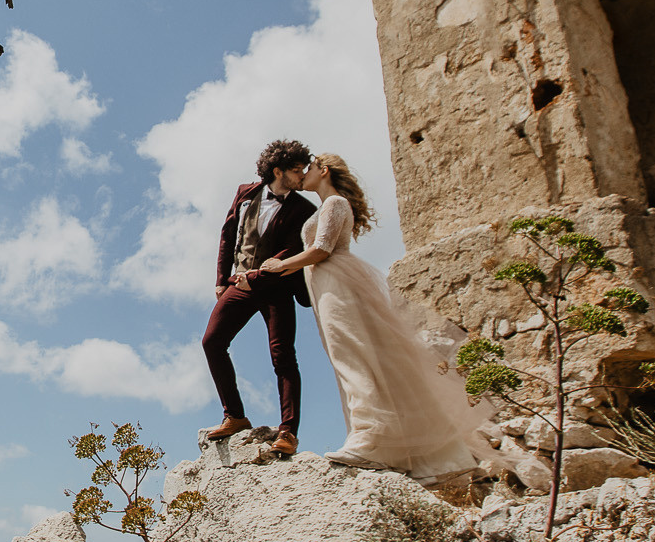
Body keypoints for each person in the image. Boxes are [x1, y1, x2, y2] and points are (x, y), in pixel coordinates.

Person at [259, 154, 489, 480]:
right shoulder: (327, 205)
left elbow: (322, 248)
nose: (302, 173)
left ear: (323, 171)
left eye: (308, 167)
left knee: (352, 356)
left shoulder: (335, 203)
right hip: (324, 285)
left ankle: (370, 436)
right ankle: (377, 440)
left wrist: (281, 265)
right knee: (346, 357)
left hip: (337, 283)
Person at [201, 139, 316, 452]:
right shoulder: (245, 192)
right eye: (296, 170)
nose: (303, 175)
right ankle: (235, 416)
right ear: (277, 171)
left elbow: (291, 252)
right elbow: (227, 234)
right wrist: (221, 279)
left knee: (283, 357)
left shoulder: (305, 210)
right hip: (238, 283)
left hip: (276, 287)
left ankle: (288, 432)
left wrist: (256, 277)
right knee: (212, 342)